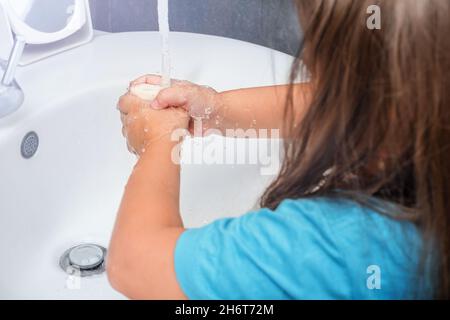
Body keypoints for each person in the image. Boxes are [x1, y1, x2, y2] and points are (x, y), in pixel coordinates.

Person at [107, 0, 449, 299]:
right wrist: (216, 108)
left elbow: (134, 264)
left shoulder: (340, 247)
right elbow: (362, 102)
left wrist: (158, 144)